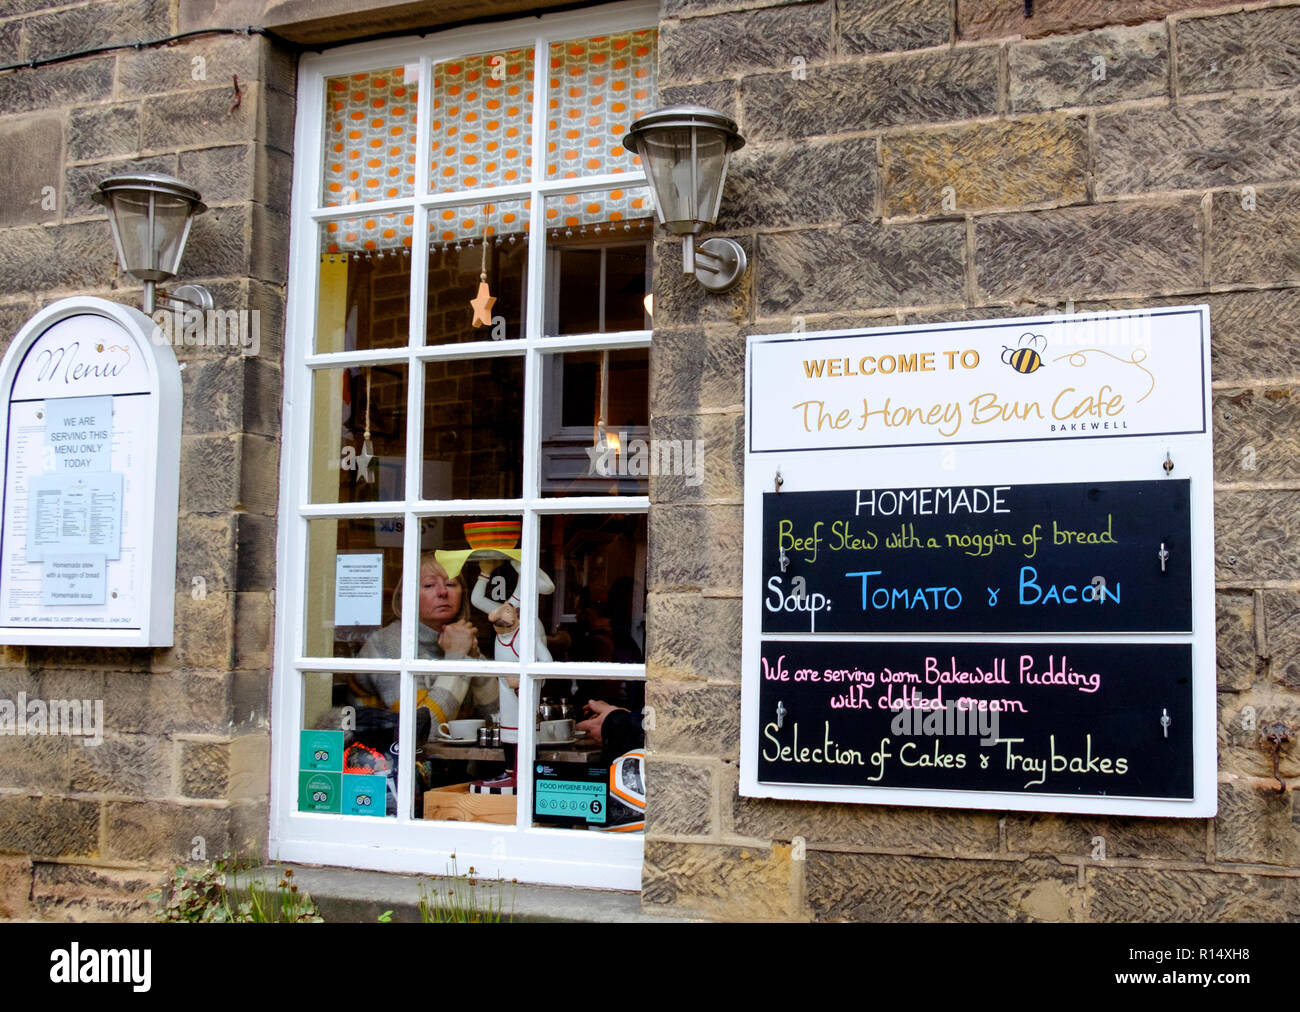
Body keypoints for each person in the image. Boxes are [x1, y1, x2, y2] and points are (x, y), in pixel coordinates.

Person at [353, 553, 498, 726]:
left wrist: (472, 659)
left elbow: (498, 717)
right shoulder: (387, 644)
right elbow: (421, 729)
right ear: (407, 596)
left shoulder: (458, 638)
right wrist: (458, 658)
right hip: (380, 749)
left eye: (451, 584)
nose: (443, 592)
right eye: (429, 585)